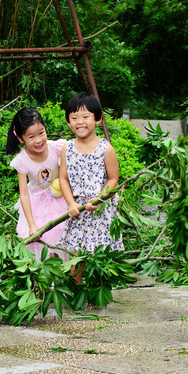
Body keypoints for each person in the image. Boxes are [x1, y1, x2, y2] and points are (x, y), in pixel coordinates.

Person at [58, 93, 124, 282]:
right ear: (68, 122)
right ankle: (76, 291)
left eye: (86, 116)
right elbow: (63, 179)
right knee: (77, 256)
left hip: (100, 210)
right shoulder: (67, 148)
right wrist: (71, 204)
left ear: (97, 119)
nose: (80, 122)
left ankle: (97, 292)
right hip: (78, 210)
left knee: (99, 255)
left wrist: (100, 197)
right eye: (74, 118)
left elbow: (113, 179)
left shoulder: (106, 148)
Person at [6, 107, 69, 259]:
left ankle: (67, 276)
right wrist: (31, 224)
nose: (38, 140)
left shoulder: (57, 148)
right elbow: (24, 194)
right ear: (21, 139)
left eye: (41, 133)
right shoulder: (22, 160)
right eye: (31, 136)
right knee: (42, 240)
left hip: (60, 196)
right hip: (37, 204)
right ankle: (47, 277)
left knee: (65, 233)